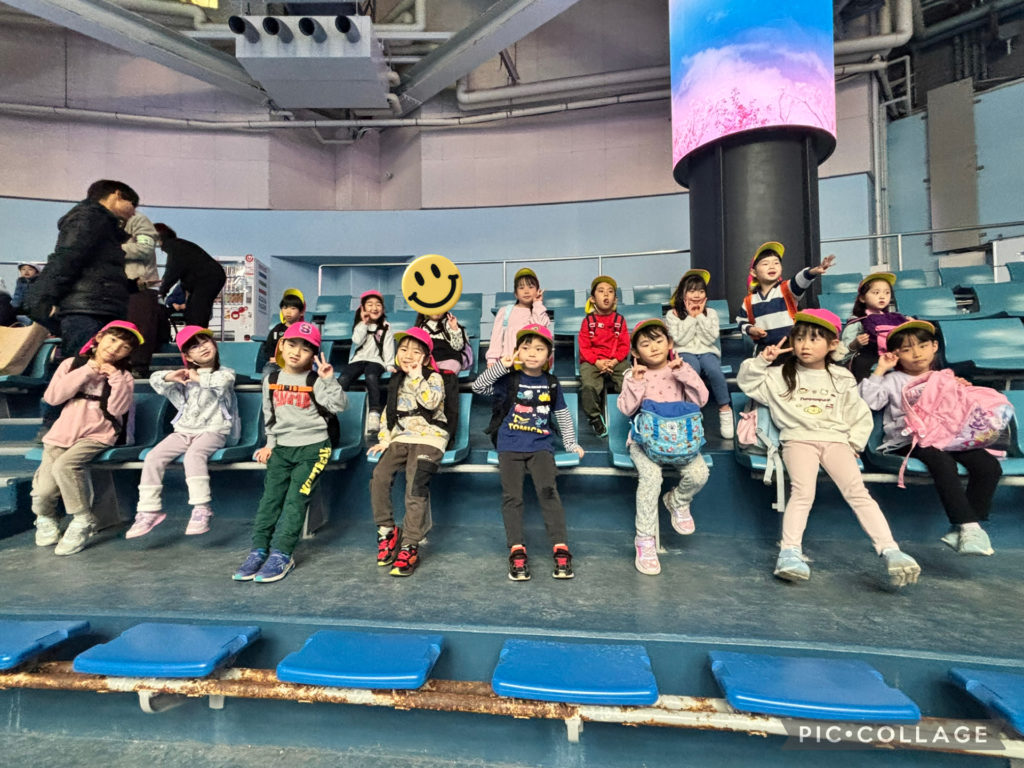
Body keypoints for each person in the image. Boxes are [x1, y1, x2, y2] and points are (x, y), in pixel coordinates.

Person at [737, 309, 921, 587]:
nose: (805, 345)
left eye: (814, 339)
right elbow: (747, 382)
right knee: (803, 493)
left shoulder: (841, 376)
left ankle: (890, 550)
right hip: (797, 439)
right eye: (799, 338)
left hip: (836, 440)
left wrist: (854, 443)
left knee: (858, 492)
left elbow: (858, 413)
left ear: (833, 344)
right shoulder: (779, 374)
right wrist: (762, 361)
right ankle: (789, 553)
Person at [859, 320, 1001, 556]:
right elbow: (867, 402)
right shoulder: (892, 380)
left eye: (923, 346)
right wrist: (880, 370)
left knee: (988, 466)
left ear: (934, 346)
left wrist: (961, 389)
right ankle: (970, 527)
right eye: (906, 349)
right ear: (896, 354)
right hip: (909, 440)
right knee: (941, 462)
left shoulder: (944, 377)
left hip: (947, 437)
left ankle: (963, 527)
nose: (916, 354)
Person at [233, 322, 347, 583]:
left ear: (313, 355)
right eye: (292, 344)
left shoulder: (314, 380)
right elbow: (269, 415)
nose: (296, 352)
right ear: (281, 346)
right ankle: (258, 550)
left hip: (314, 448)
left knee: (296, 500)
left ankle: (282, 553)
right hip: (282, 448)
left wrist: (329, 380)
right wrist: (270, 444)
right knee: (270, 500)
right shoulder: (271, 380)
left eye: (305, 349)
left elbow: (340, 406)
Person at [472, 324, 584, 581]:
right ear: (517, 352)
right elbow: (479, 387)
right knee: (512, 497)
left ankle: (560, 547)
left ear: (549, 356)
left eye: (539, 349)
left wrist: (570, 444)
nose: (532, 353)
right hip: (509, 445)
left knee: (548, 493)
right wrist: (502, 366)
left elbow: (562, 415)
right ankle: (516, 549)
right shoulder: (508, 380)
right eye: (526, 348)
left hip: (540, 447)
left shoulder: (551, 384)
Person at [31, 320, 142, 556]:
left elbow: (118, 409)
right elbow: (53, 397)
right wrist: (87, 371)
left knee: (66, 465)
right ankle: (46, 517)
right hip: (62, 433)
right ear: (99, 338)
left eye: (124, 347)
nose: (115, 348)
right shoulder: (72, 364)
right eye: (113, 340)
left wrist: (115, 378)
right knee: (43, 492)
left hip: (98, 433)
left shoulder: (124, 376)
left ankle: (82, 519)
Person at [126, 326, 239, 540]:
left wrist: (197, 377)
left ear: (214, 344)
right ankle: (148, 510)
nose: (202, 348)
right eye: (194, 347)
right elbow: (155, 379)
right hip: (184, 431)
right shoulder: (183, 378)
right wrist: (172, 376)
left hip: (214, 430)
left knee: (194, 455)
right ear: (188, 357)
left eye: (205, 342)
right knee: (153, 457)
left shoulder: (224, 373)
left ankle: (201, 508)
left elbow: (222, 383)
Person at [617, 319, 710, 575]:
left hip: (681, 442)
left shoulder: (681, 369)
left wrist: (684, 374)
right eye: (645, 344)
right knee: (651, 478)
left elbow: (702, 400)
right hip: (644, 443)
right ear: (635, 352)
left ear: (669, 343)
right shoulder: (633, 375)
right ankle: (644, 539)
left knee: (699, 474)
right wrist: (636, 382)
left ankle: (677, 500)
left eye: (659, 341)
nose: (654, 347)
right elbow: (626, 408)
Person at [27, 179, 139, 372]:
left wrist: (132, 286)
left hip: (98, 308)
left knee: (103, 375)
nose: (134, 212)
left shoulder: (102, 224)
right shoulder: (88, 218)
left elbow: (95, 270)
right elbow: (67, 258)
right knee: (84, 372)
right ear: (117, 195)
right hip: (87, 312)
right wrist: (41, 298)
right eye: (133, 204)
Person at [368, 328, 449, 577]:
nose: (408, 355)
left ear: (426, 358)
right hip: (402, 438)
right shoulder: (396, 381)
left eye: (416, 352)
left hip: (430, 438)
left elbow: (431, 402)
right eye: (403, 350)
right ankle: (387, 531)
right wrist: (385, 440)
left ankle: (410, 544)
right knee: (379, 476)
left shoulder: (433, 378)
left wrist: (416, 377)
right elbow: (388, 415)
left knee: (415, 486)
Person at [665, 269, 733, 439]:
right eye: (692, 291)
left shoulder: (711, 313)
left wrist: (700, 317)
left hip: (707, 351)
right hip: (684, 351)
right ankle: (692, 410)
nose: (697, 295)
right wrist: (690, 317)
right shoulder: (672, 314)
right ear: (683, 293)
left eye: (701, 291)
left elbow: (710, 338)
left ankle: (725, 410)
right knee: (691, 371)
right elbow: (680, 339)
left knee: (714, 370)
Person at [735, 242, 836, 350]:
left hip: (791, 349)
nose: (772, 266)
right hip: (765, 351)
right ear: (754, 272)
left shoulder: (787, 289)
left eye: (776, 263)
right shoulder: (749, 301)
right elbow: (741, 321)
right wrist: (751, 329)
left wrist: (813, 272)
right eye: (765, 264)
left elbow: (800, 279)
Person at [577, 275, 629, 437]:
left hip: (616, 361)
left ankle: (630, 411)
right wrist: (597, 362)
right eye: (601, 291)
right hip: (593, 361)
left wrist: (614, 361)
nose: (606, 294)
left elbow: (624, 345)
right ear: (593, 299)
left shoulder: (620, 320)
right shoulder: (588, 321)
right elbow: (584, 347)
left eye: (610, 291)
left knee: (630, 380)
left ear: (615, 299)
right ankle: (594, 417)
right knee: (588, 385)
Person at [338, 290, 394, 435]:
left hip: (376, 361)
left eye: (378, 304)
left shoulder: (386, 327)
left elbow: (388, 347)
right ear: (363, 308)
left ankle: (374, 413)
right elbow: (356, 340)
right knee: (343, 378)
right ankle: (333, 408)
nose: (374, 307)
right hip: (358, 360)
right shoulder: (360, 325)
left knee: (371, 376)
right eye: (370, 304)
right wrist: (364, 323)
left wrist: (389, 364)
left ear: (383, 309)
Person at [154, 223, 227, 328]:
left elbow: (172, 271)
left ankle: (196, 333)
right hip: (210, 277)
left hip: (207, 279)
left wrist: (162, 292)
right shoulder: (179, 244)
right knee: (194, 310)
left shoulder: (174, 247)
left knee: (197, 312)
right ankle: (196, 332)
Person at [841, 273, 910, 382]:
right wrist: (855, 344)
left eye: (887, 293)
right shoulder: (857, 321)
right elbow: (842, 355)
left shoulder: (894, 318)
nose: (882, 296)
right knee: (861, 362)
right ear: (862, 298)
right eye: (876, 292)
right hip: (870, 358)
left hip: (894, 354)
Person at [123, 211, 162, 378]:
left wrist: (110, 249)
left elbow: (145, 249)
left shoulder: (138, 220)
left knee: (140, 328)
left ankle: (139, 366)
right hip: (115, 286)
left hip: (141, 285)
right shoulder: (105, 223)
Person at [486, 268, 550, 367]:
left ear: (538, 291)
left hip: (531, 365)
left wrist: (537, 303)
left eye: (531, 287)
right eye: (521, 288)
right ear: (515, 293)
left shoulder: (540, 311)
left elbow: (539, 329)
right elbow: (496, 338)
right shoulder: (505, 311)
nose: (526, 291)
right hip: (508, 363)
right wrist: (492, 360)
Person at [260, 289, 306, 372]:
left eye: (293, 308)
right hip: (276, 364)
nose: (288, 312)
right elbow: (269, 347)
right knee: (268, 372)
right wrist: (272, 358)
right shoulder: (276, 330)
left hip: (297, 363)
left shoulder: (304, 330)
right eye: (285, 308)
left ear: (301, 312)